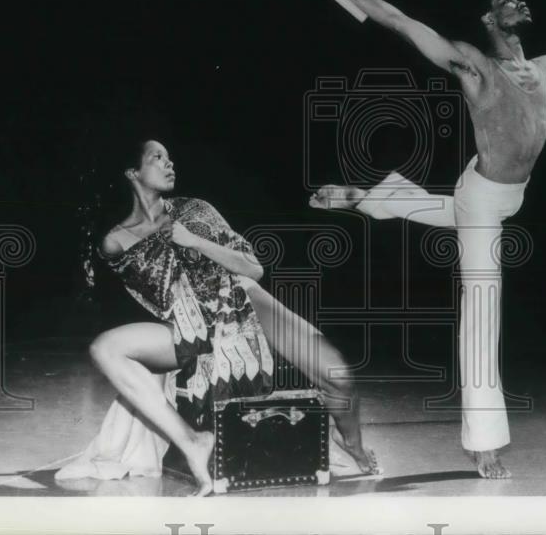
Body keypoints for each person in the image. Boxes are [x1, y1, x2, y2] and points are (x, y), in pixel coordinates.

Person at [304, 0, 546, 479]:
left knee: (462, 212)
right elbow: (398, 20)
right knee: (483, 307)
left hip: (507, 198)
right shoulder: (474, 66)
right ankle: (483, 442)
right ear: (488, 17)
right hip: (483, 195)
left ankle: (368, 198)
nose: (516, 2)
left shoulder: (543, 66)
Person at [57, 139, 380, 496]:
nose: (169, 163)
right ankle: (193, 441)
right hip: (188, 327)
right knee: (106, 347)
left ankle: (352, 443)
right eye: (157, 157)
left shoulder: (196, 209)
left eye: (170, 156)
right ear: (132, 172)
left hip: (243, 301)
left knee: (339, 377)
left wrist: (194, 241)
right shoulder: (115, 242)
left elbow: (253, 269)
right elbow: (155, 296)